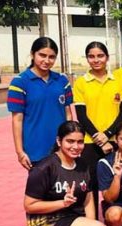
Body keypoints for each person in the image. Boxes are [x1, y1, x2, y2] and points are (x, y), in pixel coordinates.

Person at [24, 121, 118, 226]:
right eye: (70, 141)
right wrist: (62, 203)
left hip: (74, 219)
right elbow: (29, 205)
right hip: (44, 222)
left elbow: (88, 200)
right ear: (59, 141)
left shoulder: (83, 165)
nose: (75, 146)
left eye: (80, 142)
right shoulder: (43, 168)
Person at [73, 41, 122, 211]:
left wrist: (108, 134)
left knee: (115, 182)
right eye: (91, 56)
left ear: (107, 58)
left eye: (100, 56)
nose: (96, 60)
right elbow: (82, 116)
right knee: (92, 185)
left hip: (114, 141)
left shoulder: (119, 81)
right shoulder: (81, 83)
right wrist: (100, 139)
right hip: (91, 143)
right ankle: (94, 223)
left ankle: (117, 225)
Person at [9, 37, 72, 170]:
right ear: (32, 54)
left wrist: (71, 141)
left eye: (51, 57)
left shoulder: (62, 81)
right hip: (35, 151)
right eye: (42, 55)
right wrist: (20, 152)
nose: (46, 61)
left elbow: (68, 114)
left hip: (61, 149)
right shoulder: (19, 82)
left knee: (65, 190)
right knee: (39, 190)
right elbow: (17, 120)